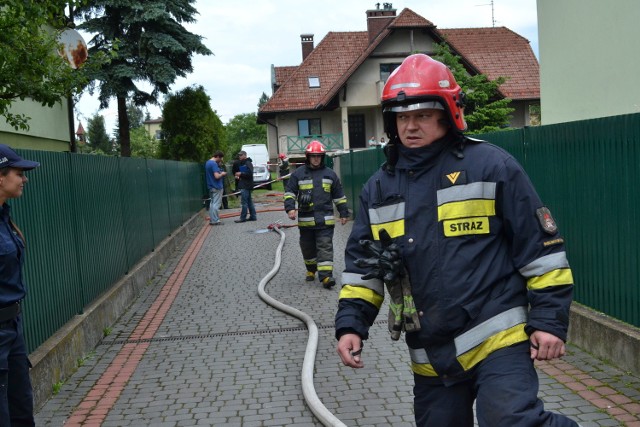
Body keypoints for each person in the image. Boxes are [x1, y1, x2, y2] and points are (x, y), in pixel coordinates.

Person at [335, 54, 577, 427]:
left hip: (498, 337)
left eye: (422, 115)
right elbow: (362, 271)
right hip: (431, 353)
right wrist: (352, 325)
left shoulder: (492, 167)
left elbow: (542, 254)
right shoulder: (379, 189)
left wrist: (548, 321)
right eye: (402, 117)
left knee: (511, 421)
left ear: (448, 115)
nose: (410, 126)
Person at [0, 143, 40, 426]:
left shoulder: (5, 217)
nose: (24, 178)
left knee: (22, 410)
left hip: (13, 328)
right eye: (18, 172)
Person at [284, 141, 349, 289]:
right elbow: (290, 192)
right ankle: (311, 270)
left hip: (325, 221)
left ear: (322, 157)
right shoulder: (298, 174)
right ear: (308, 157)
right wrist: (290, 208)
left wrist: (343, 212)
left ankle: (326, 276)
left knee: (325, 247)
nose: (316, 159)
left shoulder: (330, 174)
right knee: (307, 248)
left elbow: (339, 195)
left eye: (318, 156)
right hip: (306, 222)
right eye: (313, 156)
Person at [233, 150, 257, 223]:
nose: (239, 156)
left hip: (246, 185)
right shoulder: (244, 163)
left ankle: (242, 218)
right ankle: (253, 216)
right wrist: (240, 176)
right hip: (246, 184)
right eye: (239, 155)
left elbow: (249, 174)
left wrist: (241, 174)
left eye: (241, 155)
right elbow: (247, 174)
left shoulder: (247, 163)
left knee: (244, 202)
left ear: (245, 155)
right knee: (249, 201)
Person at [205, 151, 227, 225]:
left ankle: (212, 219)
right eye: (220, 158)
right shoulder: (214, 164)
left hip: (210, 186)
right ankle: (215, 220)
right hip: (217, 186)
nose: (220, 160)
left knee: (212, 203)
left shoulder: (208, 163)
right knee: (216, 204)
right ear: (217, 156)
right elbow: (217, 176)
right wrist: (222, 174)